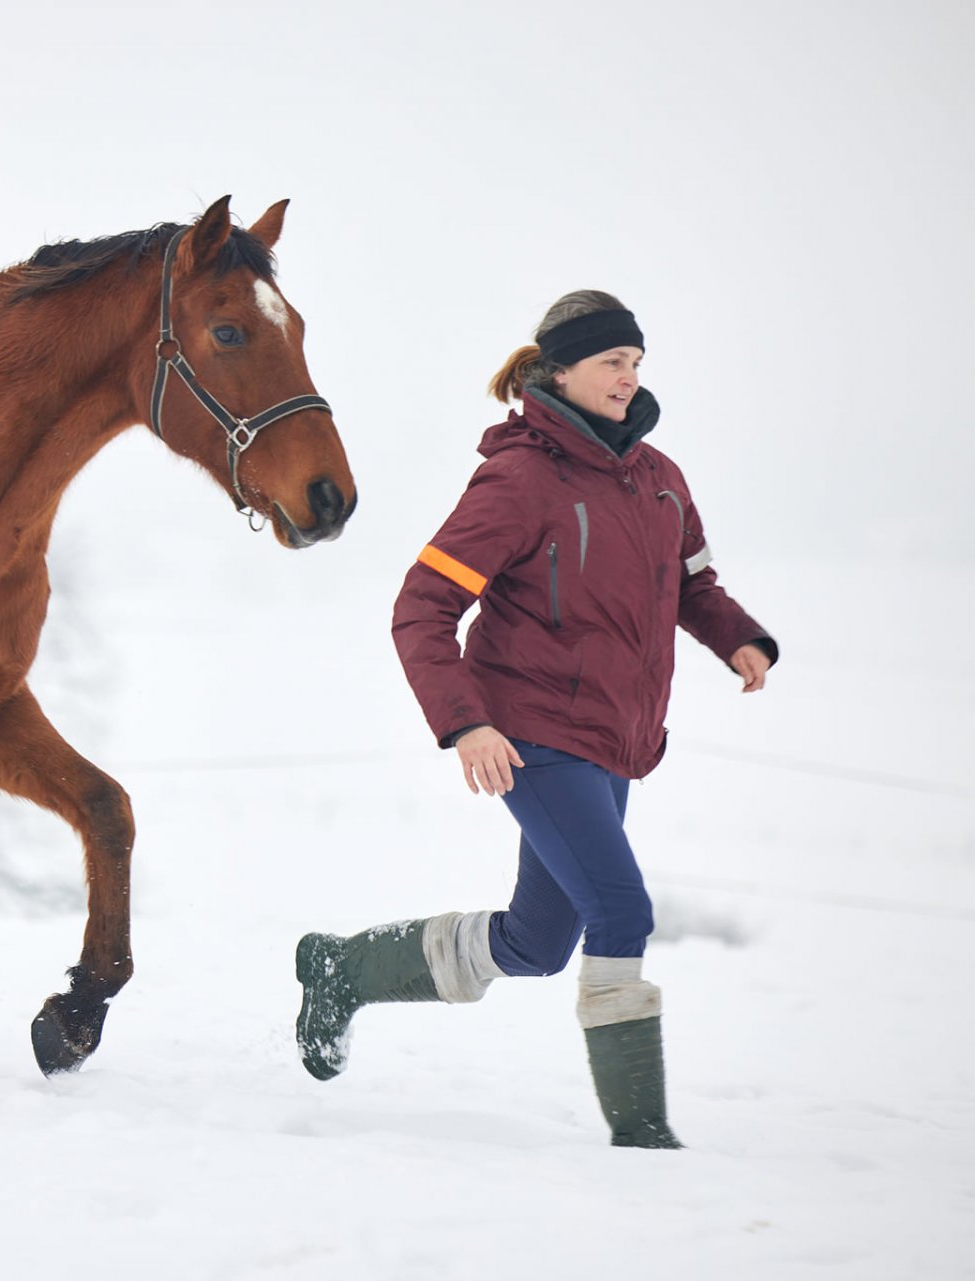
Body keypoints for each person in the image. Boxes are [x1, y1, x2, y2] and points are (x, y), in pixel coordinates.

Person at [294, 290, 775, 1148]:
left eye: (634, 363)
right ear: (559, 371)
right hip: (533, 733)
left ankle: (344, 968)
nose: (628, 378)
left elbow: (695, 584)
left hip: (615, 742)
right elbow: (421, 606)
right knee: (622, 912)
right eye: (610, 363)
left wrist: (738, 638)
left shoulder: (661, 480)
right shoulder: (521, 477)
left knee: (538, 941)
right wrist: (467, 724)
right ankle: (643, 1133)